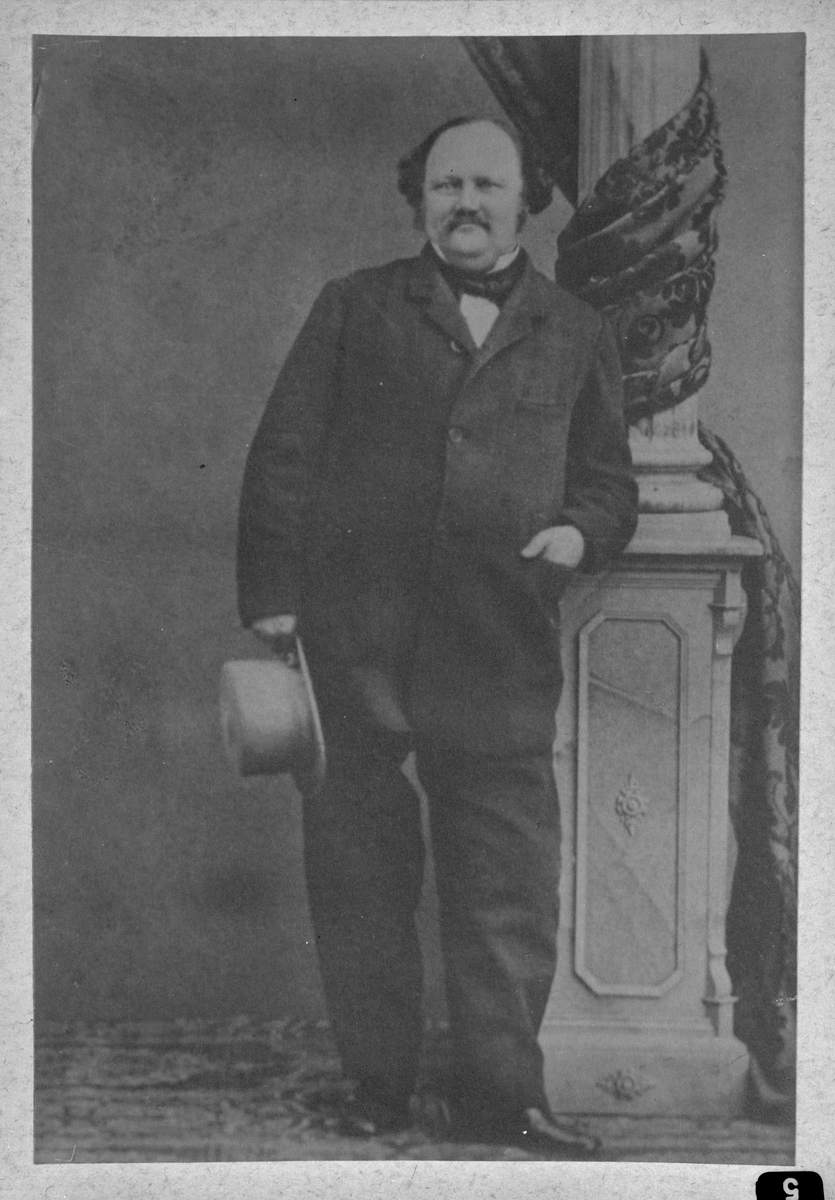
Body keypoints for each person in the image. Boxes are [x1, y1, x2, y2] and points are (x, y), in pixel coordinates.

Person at [237, 117, 638, 1157]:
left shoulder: (575, 328)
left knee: (505, 881)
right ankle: (376, 1087)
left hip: (497, 638)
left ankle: (501, 1098)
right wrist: (273, 596)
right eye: (447, 184)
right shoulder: (354, 305)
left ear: (525, 199)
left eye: (487, 185)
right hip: (355, 634)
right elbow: (285, 451)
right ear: (418, 197)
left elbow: (607, 482)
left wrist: (577, 532)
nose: (466, 203)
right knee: (360, 871)